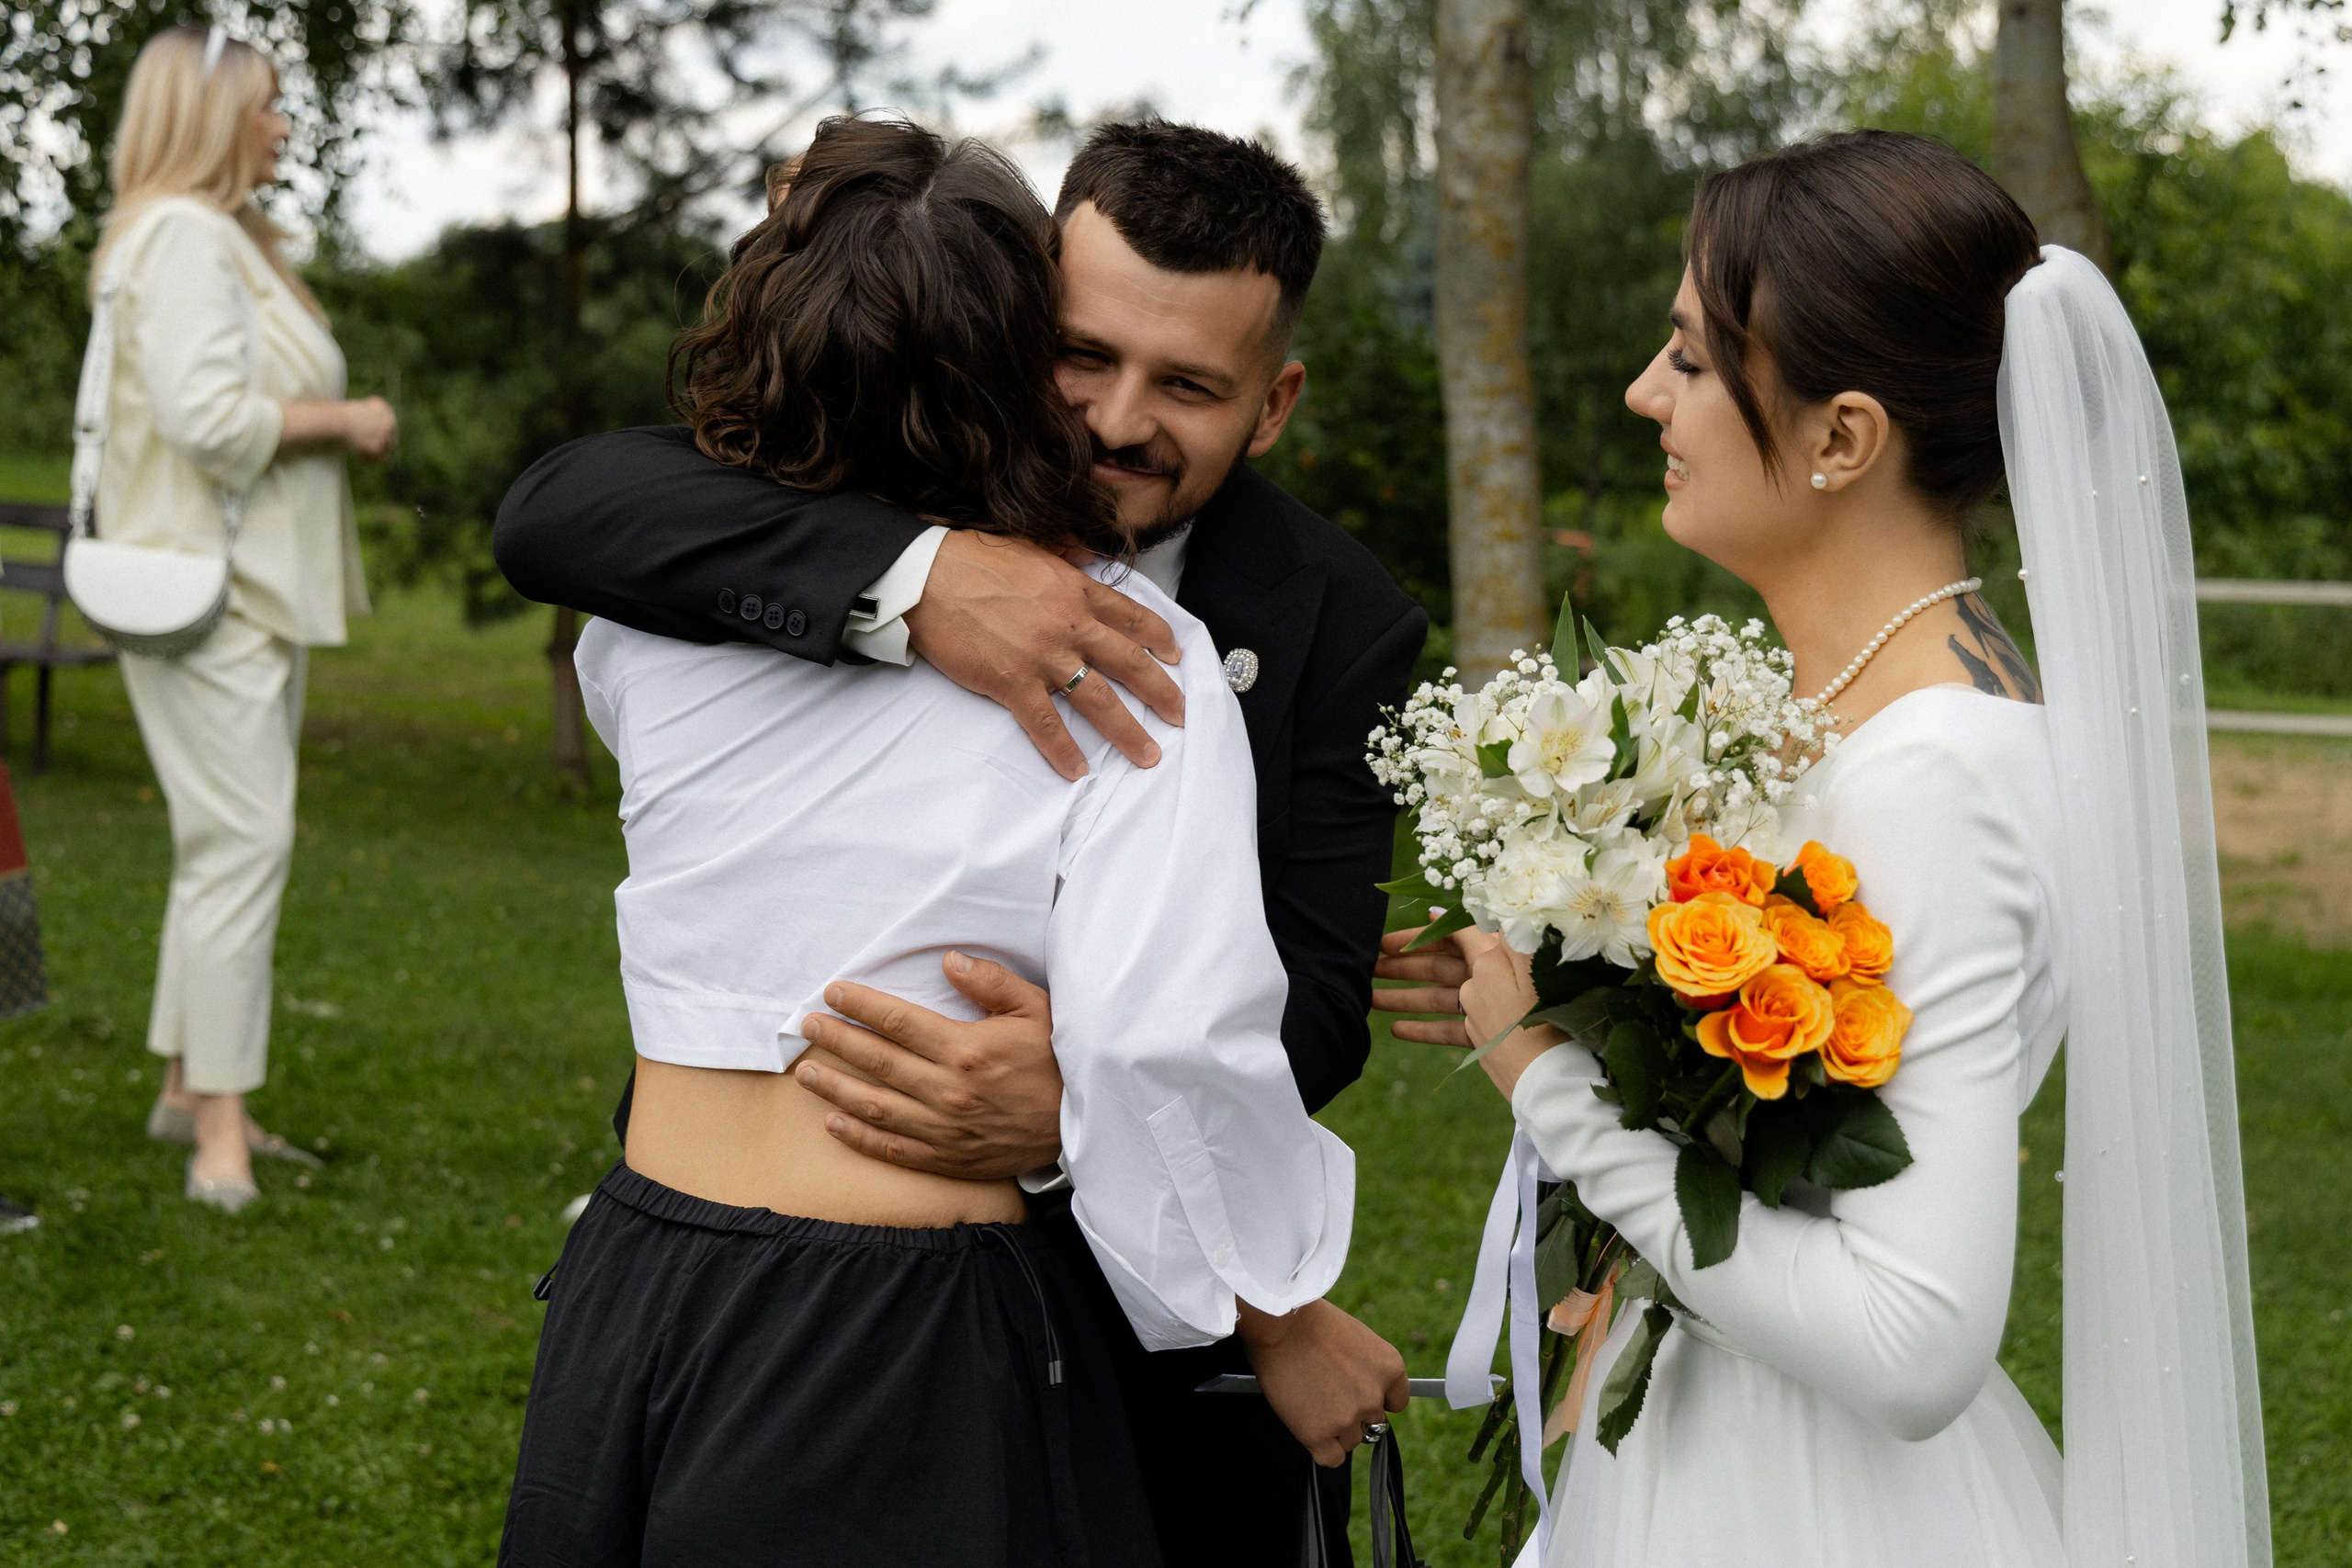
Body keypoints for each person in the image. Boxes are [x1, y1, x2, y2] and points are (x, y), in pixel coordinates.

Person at [496, 121, 1423, 1562]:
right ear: (1008, 325)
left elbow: (1309, 1000)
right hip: (888, 1316)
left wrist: (1068, 1111)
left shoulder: (1332, 619)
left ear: (1274, 399)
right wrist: (908, 578)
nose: (1118, 422)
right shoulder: (1113, 658)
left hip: (699, 1276)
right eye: (1082, 357)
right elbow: (561, 509)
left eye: (1186, 385)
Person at [1391, 130, 2267, 1568]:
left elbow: (1913, 1338)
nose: (1642, 394)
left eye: (1687, 358)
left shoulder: (1939, 772)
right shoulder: (1858, 707)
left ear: (1841, 437)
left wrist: (1546, 1086)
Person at [85, 25, 393, 1213]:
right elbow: (208, 418)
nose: (281, 127)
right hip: (213, 594)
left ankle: (186, 1085)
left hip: (235, 592)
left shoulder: (211, 239)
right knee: (243, 847)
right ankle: (219, 1128)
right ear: (212, 117)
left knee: (218, 846)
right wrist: (348, 419)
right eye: (264, 107)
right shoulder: (181, 240)